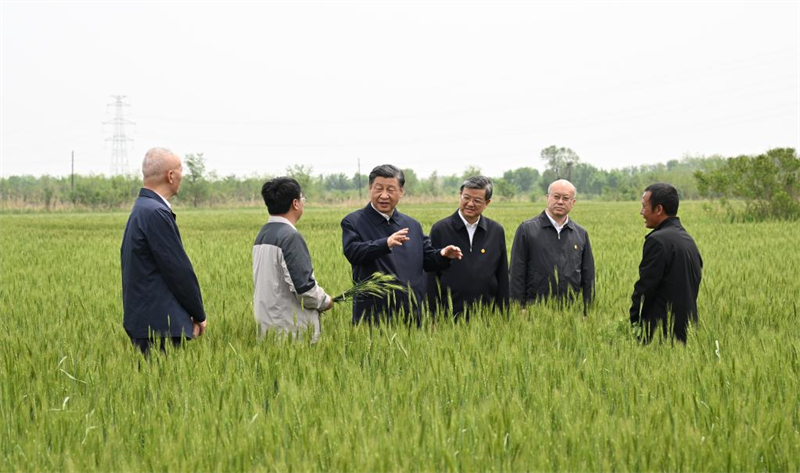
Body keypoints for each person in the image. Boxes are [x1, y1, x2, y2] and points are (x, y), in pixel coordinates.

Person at [341, 164, 463, 324]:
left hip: (411, 315)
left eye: (390, 190)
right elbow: (353, 252)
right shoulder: (354, 221)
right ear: (370, 188)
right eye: (379, 189)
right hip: (373, 317)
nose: (384, 195)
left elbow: (427, 259)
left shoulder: (412, 225)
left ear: (401, 192)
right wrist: (385, 243)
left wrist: (443, 254)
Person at [121, 148, 207, 355]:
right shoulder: (156, 213)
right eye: (180, 171)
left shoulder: (142, 209)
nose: (182, 176)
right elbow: (178, 270)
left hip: (147, 322)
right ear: (170, 176)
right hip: (161, 327)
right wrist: (198, 314)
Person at [253, 177, 333, 343]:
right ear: (295, 203)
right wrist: (325, 301)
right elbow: (304, 289)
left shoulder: (263, 234)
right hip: (291, 332)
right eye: (302, 199)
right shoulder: (290, 237)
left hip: (268, 328)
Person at [426, 176, 509, 319]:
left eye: (477, 200)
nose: (470, 204)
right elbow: (431, 276)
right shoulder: (440, 229)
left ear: (487, 203)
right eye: (466, 198)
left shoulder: (496, 231)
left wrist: (504, 315)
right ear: (460, 196)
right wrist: (432, 315)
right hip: (449, 315)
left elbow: (502, 276)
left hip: (487, 315)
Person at [630, 182, 703, 343]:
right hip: (687, 330)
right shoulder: (688, 240)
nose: (641, 212)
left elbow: (645, 288)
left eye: (644, 207)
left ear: (659, 209)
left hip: (660, 333)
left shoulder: (657, 241)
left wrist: (634, 323)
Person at [509, 179, 595, 313]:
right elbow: (516, 272)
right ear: (547, 198)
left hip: (571, 312)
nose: (560, 202)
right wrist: (519, 307)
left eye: (566, 198)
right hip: (535, 309)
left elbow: (588, 275)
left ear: (573, 203)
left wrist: (587, 311)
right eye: (556, 197)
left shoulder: (580, 234)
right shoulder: (527, 229)